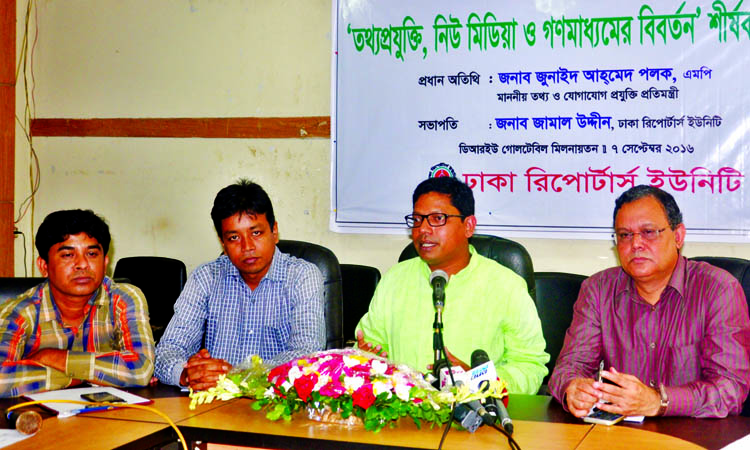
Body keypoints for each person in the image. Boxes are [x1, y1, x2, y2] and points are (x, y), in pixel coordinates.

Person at [549, 185, 750, 418]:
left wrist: (658, 401)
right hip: (623, 434)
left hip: (695, 434)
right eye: (625, 235)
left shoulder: (718, 289)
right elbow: (570, 366)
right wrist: (573, 389)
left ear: (678, 236)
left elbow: (730, 389)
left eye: (649, 232)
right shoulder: (598, 290)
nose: (636, 244)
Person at [355, 176, 548, 394]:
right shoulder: (394, 279)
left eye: (437, 219)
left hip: (478, 418)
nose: (423, 230)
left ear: (468, 226)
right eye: (417, 220)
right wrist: (367, 360)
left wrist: (478, 381)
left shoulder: (506, 285)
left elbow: (530, 365)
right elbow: (369, 347)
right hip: (403, 416)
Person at [154, 179, 325, 391]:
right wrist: (187, 374)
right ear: (223, 243)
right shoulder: (206, 278)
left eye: (256, 233)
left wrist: (236, 377)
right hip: (212, 406)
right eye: (234, 237)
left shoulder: (302, 276)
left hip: (276, 406)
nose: (247, 247)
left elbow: (306, 354)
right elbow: (168, 349)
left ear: (274, 231)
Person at [0, 209, 155, 398]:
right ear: (44, 266)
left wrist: (52, 357)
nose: (82, 264)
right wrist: (82, 376)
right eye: (68, 255)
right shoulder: (20, 312)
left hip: (112, 418)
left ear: (105, 262)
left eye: (91, 254)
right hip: (41, 421)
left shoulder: (123, 299)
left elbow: (140, 369)